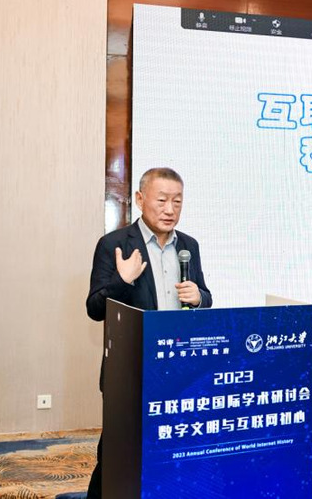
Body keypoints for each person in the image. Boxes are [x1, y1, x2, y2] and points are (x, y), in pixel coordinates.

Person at [85, 167, 212, 498]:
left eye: (177, 201)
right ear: (140, 199)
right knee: (117, 455)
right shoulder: (114, 244)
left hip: (180, 371)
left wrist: (199, 297)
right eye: (162, 200)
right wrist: (122, 280)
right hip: (131, 371)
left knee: (174, 454)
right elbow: (94, 308)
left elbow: (205, 297)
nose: (170, 209)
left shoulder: (189, 246)